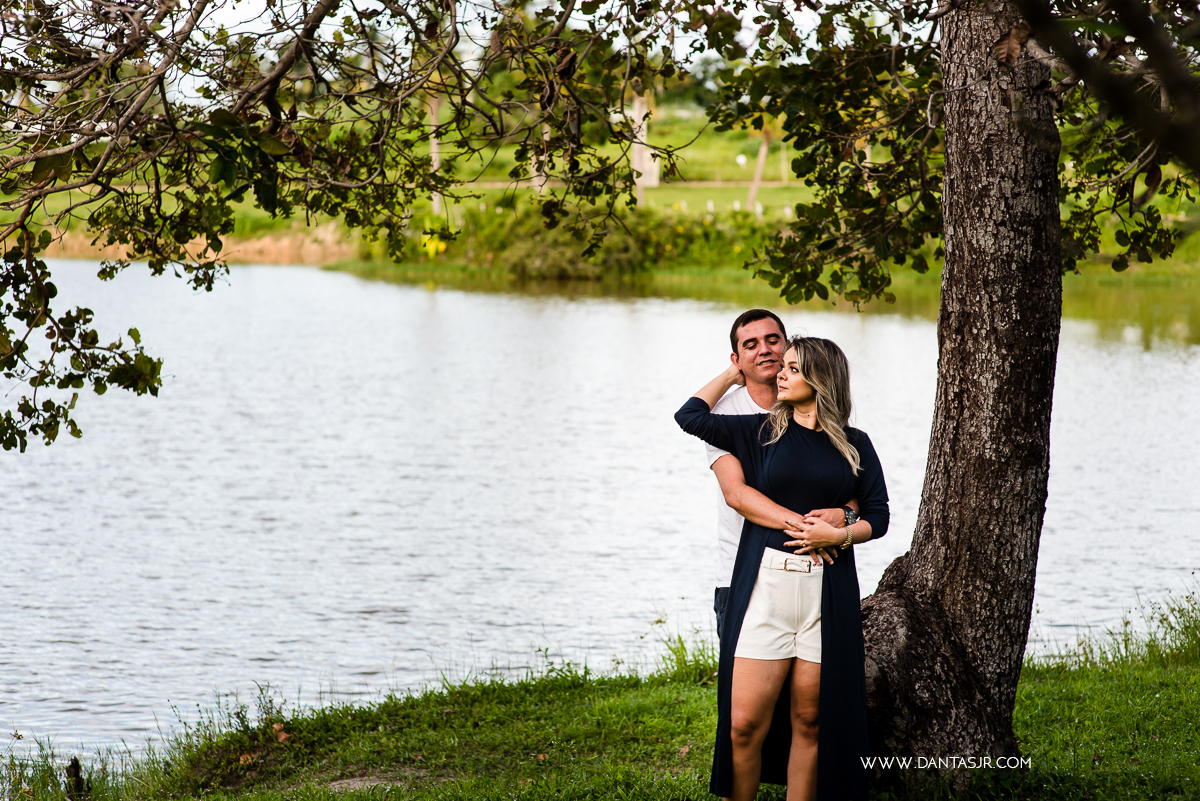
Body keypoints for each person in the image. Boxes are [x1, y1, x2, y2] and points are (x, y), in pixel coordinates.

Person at [676, 336, 889, 801]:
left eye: (792, 368)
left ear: (820, 378)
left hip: (824, 594)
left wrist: (843, 529)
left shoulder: (855, 445)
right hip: (764, 591)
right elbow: (689, 416)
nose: (779, 374)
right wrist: (735, 373)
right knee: (744, 724)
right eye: (782, 367)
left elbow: (879, 515)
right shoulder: (758, 432)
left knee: (809, 721)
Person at [708, 311, 860, 638]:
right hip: (745, 572)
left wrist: (844, 516)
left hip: (819, 567)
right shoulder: (727, 416)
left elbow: (855, 492)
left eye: (772, 340)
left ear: (787, 345)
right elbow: (736, 495)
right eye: (751, 345)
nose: (764, 349)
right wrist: (806, 527)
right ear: (737, 359)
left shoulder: (818, 409)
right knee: (745, 687)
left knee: (812, 686)